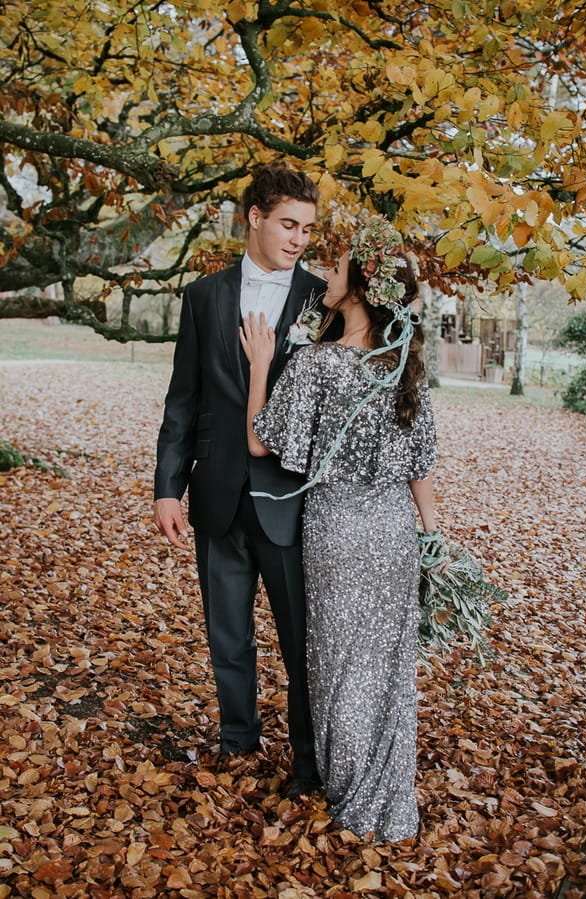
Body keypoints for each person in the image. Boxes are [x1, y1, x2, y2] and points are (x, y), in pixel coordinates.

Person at [240, 215, 441, 841]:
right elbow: (421, 462)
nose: (326, 272)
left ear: (359, 286)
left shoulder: (319, 363)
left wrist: (261, 363)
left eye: (338, 266)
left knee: (338, 668)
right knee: (387, 669)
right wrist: (431, 535)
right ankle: (386, 796)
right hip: (393, 535)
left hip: (336, 533)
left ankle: (354, 798)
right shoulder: (401, 363)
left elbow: (257, 444)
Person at [153, 161, 332, 798]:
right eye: (289, 223)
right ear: (254, 218)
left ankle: (310, 761)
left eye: (308, 229)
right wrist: (167, 487)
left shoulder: (323, 299)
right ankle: (238, 742)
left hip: (293, 498)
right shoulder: (203, 296)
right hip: (217, 493)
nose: (299, 239)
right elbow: (184, 398)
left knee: (301, 641)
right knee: (227, 632)